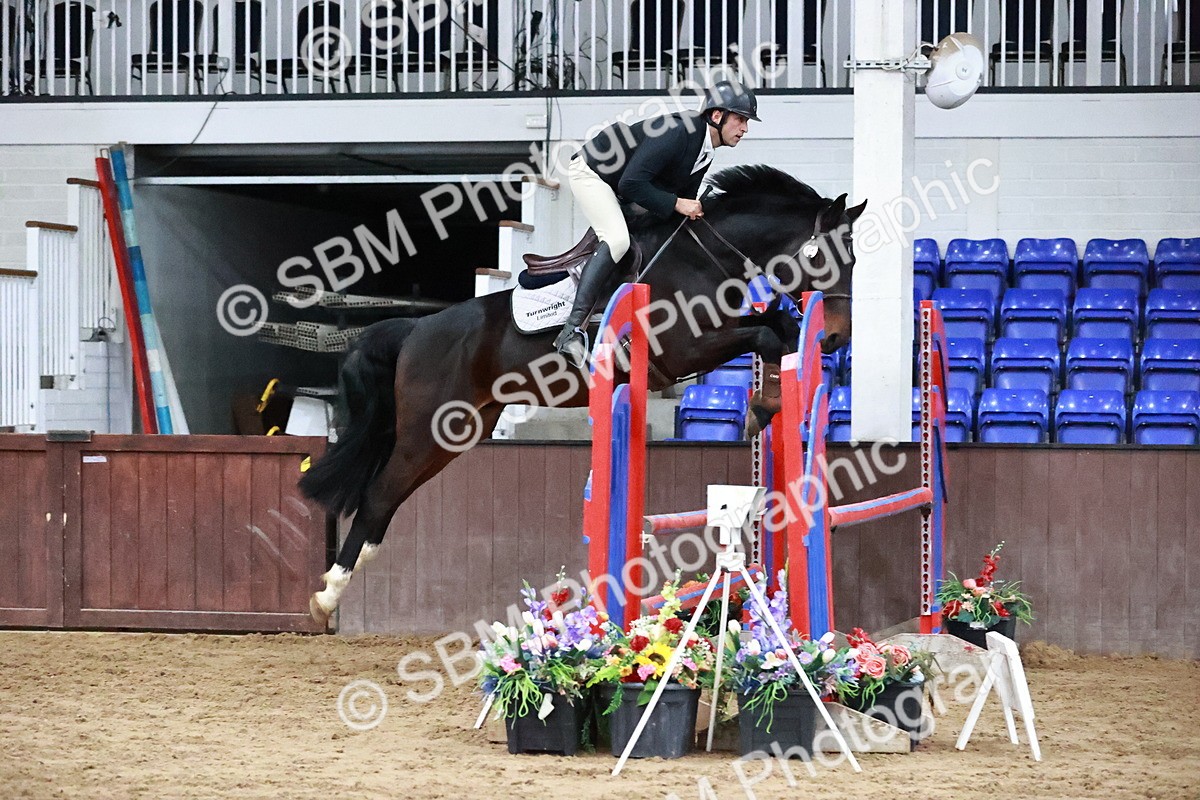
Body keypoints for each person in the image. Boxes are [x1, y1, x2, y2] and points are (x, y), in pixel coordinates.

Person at [553, 80, 760, 367]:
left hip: (621, 187)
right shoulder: (679, 131)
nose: (745, 128)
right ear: (717, 115)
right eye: (740, 119)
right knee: (617, 239)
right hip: (592, 173)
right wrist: (678, 204)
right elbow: (633, 182)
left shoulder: (705, 151)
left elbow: (678, 206)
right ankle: (571, 331)